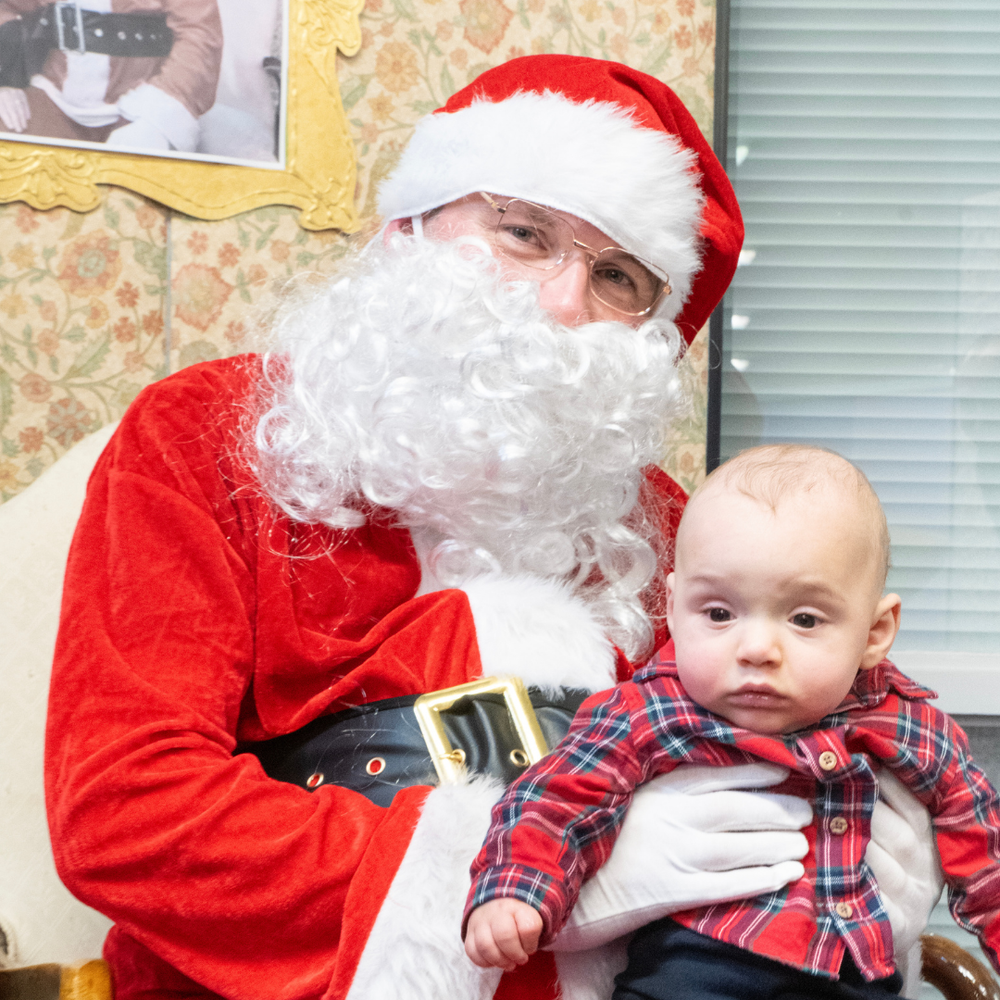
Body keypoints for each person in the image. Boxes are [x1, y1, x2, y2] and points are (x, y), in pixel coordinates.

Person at [45, 56, 941, 1000]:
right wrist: (548, 878)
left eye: (618, 276)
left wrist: (871, 849)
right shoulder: (203, 435)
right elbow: (124, 812)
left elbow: (821, 731)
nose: (562, 305)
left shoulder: (669, 525)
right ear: (410, 229)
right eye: (523, 232)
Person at [464, 444, 1000, 1000]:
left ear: (874, 632)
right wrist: (516, 891)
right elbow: (555, 796)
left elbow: (987, 850)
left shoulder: (912, 726)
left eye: (804, 618)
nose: (757, 648)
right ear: (672, 609)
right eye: (719, 613)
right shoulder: (650, 711)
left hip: (856, 973)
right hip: (695, 975)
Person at [0, 0, 222, 151]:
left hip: (138, 111)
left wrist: (157, 119)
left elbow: (200, 34)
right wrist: (5, 76)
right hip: (52, 101)